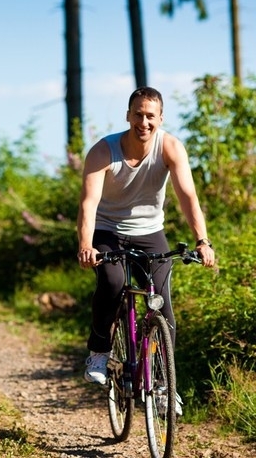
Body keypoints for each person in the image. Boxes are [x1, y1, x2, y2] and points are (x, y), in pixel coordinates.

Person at [76, 86, 215, 412]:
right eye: (138, 114)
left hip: (150, 232)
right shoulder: (103, 151)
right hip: (107, 230)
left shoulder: (170, 147)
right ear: (128, 116)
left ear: (160, 118)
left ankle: (165, 386)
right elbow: (88, 203)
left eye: (150, 116)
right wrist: (85, 245)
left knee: (162, 305)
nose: (144, 122)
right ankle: (99, 352)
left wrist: (202, 240)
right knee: (112, 282)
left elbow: (188, 196)